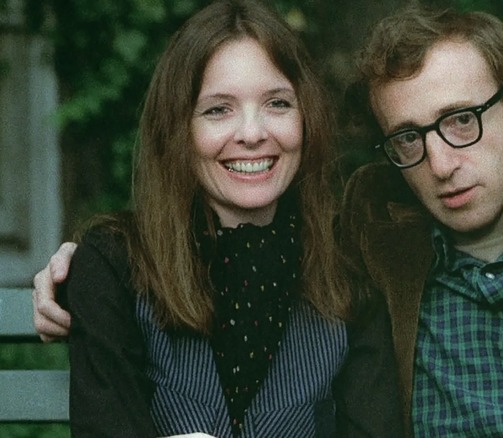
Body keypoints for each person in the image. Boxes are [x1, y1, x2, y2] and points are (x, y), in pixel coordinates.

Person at [34, 5, 503, 438]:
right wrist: (86, 266)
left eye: (461, 121)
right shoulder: (376, 227)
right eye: (409, 138)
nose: (442, 162)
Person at [33, 0, 400, 437]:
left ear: (307, 118)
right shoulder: (116, 266)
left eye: (278, 103)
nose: (251, 133)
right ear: (179, 129)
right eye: (217, 110)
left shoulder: (348, 272)